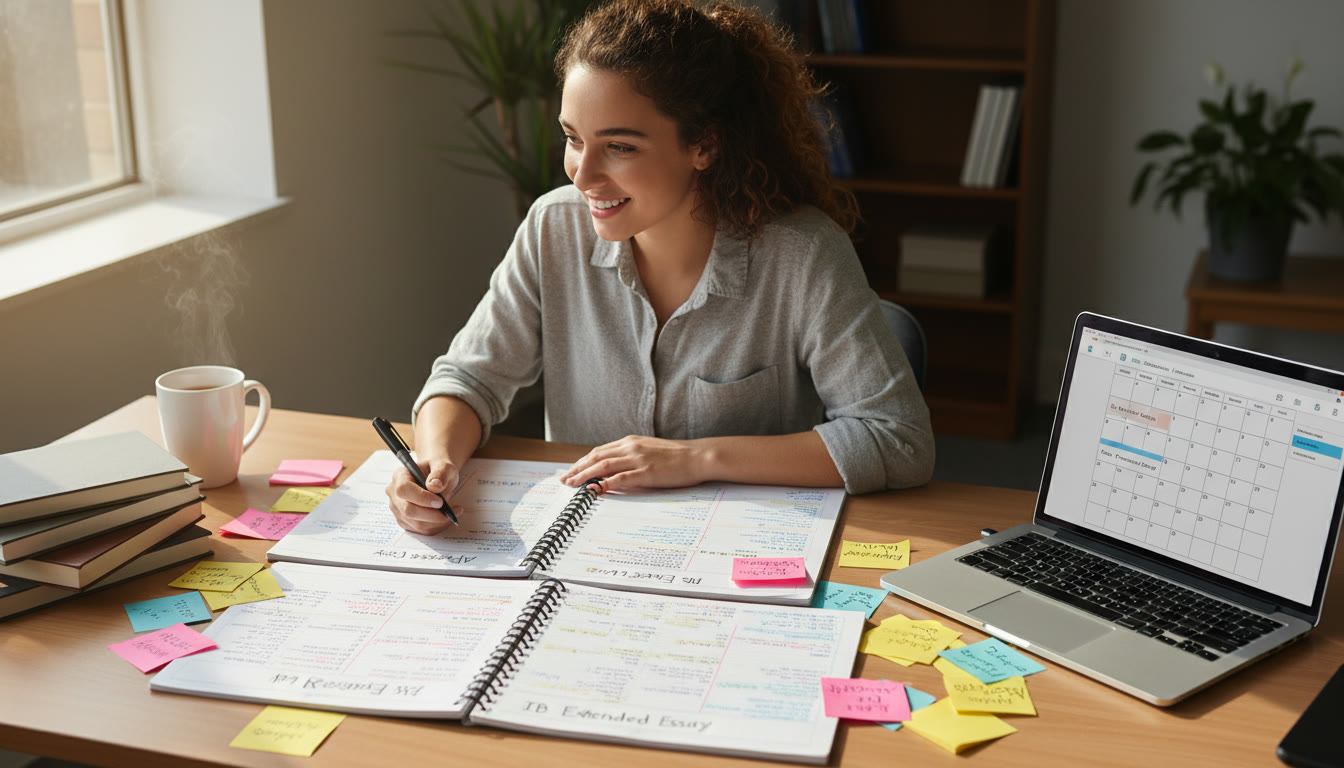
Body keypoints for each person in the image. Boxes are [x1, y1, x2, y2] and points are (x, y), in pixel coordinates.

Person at [388, 0, 934, 535]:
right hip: (586, 548)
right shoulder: (552, 227)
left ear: (704, 144)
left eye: (619, 146)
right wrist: (434, 464)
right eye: (574, 139)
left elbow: (897, 439)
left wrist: (696, 459)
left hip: (744, 552)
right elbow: (466, 380)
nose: (583, 176)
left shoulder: (803, 253)